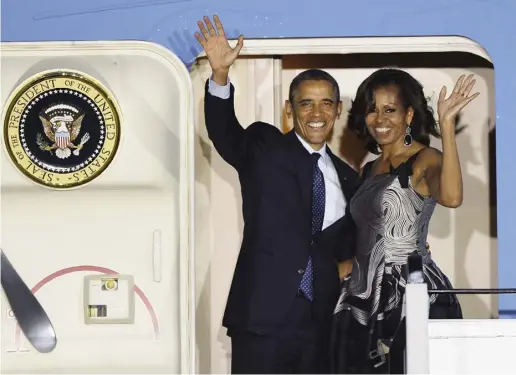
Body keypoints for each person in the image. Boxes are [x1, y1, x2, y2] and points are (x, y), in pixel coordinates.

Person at [195, 15, 358, 374]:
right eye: (306, 104)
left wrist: (351, 264)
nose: (317, 113)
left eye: (326, 103)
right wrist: (219, 76)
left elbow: (353, 242)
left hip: (322, 322)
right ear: (289, 110)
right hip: (262, 318)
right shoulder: (264, 146)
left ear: (337, 111)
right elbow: (225, 133)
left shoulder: (349, 177)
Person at [331, 68, 478, 374]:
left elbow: (451, 197)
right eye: (372, 110)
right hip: (361, 297)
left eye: (390, 110)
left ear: (409, 115)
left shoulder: (425, 159)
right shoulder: (369, 168)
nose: (380, 120)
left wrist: (447, 126)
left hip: (409, 292)